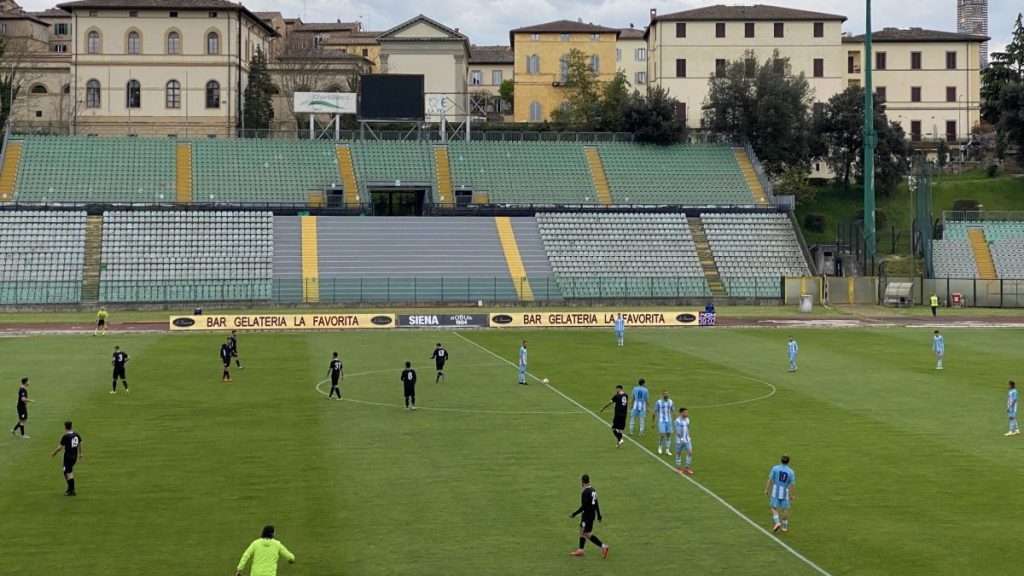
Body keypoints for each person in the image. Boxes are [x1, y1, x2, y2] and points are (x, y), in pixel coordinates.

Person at [568, 474, 609, 558]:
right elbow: (596, 504)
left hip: (587, 516)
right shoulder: (593, 490)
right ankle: (580, 550)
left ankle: (603, 546)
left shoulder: (585, 492)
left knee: (586, 533)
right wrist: (599, 516)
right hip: (592, 514)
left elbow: (583, 507)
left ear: (582, 482)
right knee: (582, 530)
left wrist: (574, 514)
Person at [50, 420, 83, 496]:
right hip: (74, 457)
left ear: (65, 427)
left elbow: (60, 447)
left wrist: (54, 453)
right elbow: (80, 443)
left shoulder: (66, 436)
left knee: (68, 472)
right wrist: (80, 453)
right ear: (71, 426)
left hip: (68, 457)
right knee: (66, 471)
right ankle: (70, 488)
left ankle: (72, 491)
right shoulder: (76, 435)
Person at [765, 454, 796, 533]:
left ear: (780, 460)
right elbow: (792, 484)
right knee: (785, 509)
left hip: (776, 491)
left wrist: (767, 489)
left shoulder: (775, 468)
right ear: (788, 462)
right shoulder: (791, 472)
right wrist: (792, 494)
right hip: (785, 491)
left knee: (773, 507)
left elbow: (770, 479)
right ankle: (784, 527)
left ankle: (777, 523)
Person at [652, 390, 675, 456]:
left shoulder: (671, 402)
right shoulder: (658, 402)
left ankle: (667, 450)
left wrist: (674, 420)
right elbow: (654, 412)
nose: (666, 395)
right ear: (662, 395)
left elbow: (673, 411)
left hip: (669, 421)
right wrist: (653, 422)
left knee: (668, 435)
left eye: (667, 393)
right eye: (665, 394)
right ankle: (660, 447)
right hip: (661, 421)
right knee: (662, 435)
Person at [674, 407, 693, 476]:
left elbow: (688, 428)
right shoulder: (677, 421)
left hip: (687, 440)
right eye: (685, 412)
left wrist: (688, 436)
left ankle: (687, 468)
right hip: (679, 441)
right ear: (681, 413)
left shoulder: (687, 420)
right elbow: (677, 431)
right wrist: (681, 439)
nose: (686, 413)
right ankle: (678, 468)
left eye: (687, 412)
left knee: (690, 452)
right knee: (679, 453)